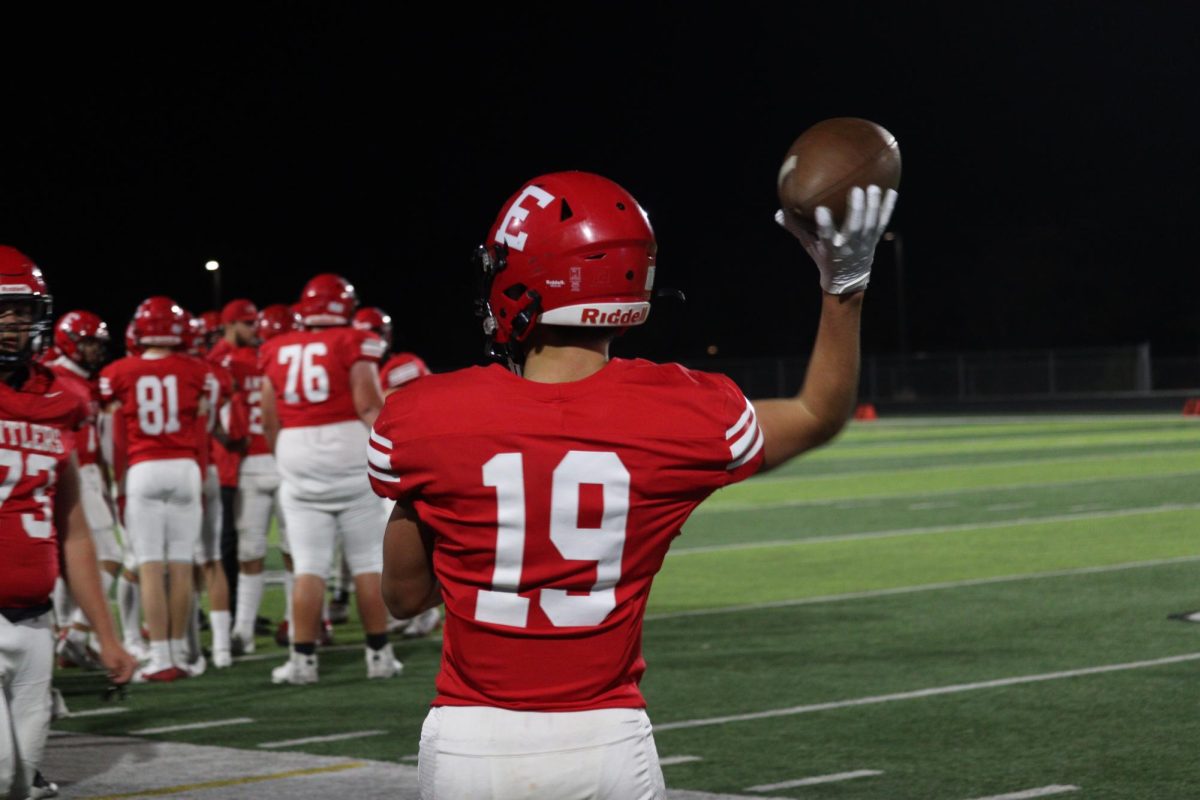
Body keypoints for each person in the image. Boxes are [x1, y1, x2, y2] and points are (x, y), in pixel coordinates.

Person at [367, 172, 896, 799]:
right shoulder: (682, 411)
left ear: (528, 280)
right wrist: (845, 289)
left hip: (471, 743)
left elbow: (403, 597)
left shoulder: (421, 415)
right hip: (606, 740)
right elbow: (817, 414)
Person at [0, 246, 135, 799]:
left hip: (36, 620)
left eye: (26, 311)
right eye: (4, 309)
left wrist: (106, 636)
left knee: (16, 785)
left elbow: (74, 527)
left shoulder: (61, 398)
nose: (16, 322)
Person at [260, 276, 401, 684]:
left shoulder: (275, 347)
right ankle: (379, 655)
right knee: (367, 562)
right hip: (345, 444)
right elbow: (366, 402)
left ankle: (302, 662)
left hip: (296, 450)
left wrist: (282, 452)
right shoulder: (352, 341)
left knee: (308, 566)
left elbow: (270, 415)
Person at [100, 296, 216, 681]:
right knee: (181, 565)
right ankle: (180, 654)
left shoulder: (117, 372)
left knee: (150, 567)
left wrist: (116, 483)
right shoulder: (198, 370)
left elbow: (113, 437)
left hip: (143, 467)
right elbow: (204, 429)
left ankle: (160, 657)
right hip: (184, 466)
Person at [47, 311, 120, 669]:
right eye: (87, 342)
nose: (94, 351)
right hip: (73, 474)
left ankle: (68, 636)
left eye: (97, 344)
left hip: (82, 474)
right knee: (109, 556)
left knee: (62, 564)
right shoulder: (57, 378)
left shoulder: (77, 378)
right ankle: (74, 633)